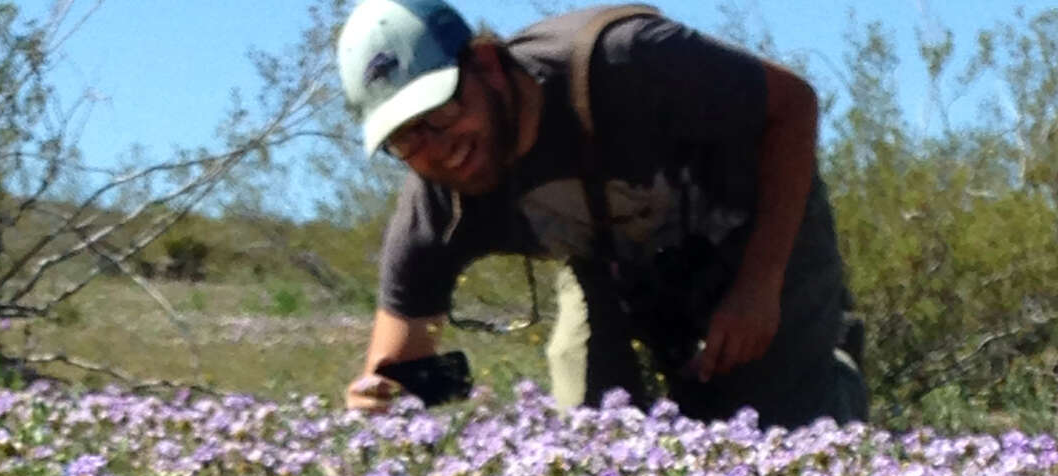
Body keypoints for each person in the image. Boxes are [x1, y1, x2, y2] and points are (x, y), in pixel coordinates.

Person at [336, 0, 866, 426]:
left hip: (749, 224)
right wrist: (382, 405)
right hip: (610, 261)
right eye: (405, 137)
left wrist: (759, 285)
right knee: (589, 425)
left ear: (489, 66)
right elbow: (394, 371)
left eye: (443, 110)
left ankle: (832, 372)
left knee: (774, 428)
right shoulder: (437, 201)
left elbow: (793, 105)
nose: (439, 146)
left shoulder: (625, 60)